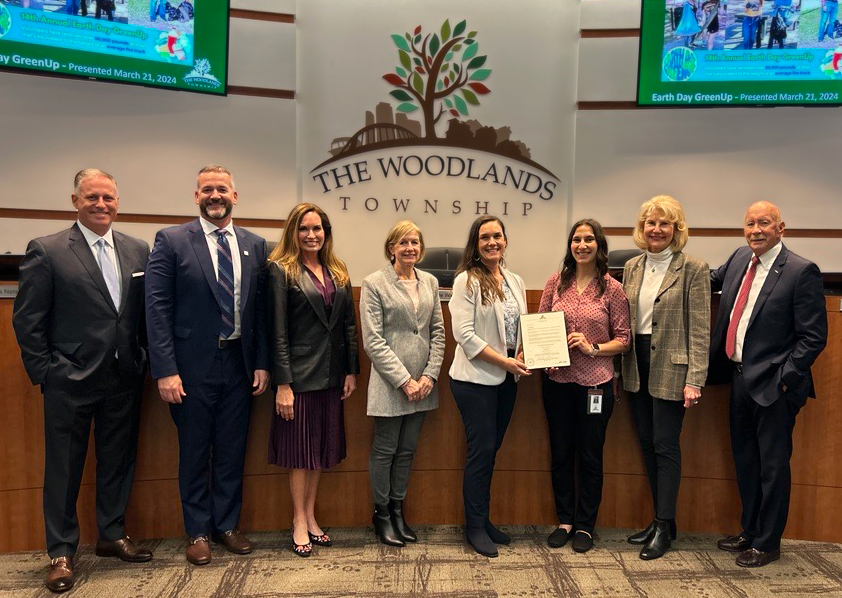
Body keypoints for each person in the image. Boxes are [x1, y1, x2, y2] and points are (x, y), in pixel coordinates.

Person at [13, 169, 152, 593]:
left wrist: (143, 357)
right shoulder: (48, 250)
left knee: (118, 461)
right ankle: (61, 552)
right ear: (75, 201)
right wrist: (46, 372)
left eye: (108, 197)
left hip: (124, 376)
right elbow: (28, 320)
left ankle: (111, 534)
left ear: (117, 202)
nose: (101, 204)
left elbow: (142, 314)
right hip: (69, 379)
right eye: (92, 197)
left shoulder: (138, 249)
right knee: (64, 468)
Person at [145, 165, 270, 566]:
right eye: (207, 189)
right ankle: (197, 531)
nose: (215, 195)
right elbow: (157, 308)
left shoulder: (255, 244)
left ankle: (227, 526)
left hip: (239, 363)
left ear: (235, 196)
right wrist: (165, 369)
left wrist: (262, 363)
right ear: (196, 196)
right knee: (195, 450)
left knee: (233, 449)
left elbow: (261, 311)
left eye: (222, 189)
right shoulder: (172, 240)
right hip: (190, 366)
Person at [709, 201, 827, 568]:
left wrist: (785, 380)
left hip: (774, 387)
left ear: (781, 228)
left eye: (764, 223)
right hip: (738, 380)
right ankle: (750, 531)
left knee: (772, 467)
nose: (756, 230)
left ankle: (768, 542)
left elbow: (813, 337)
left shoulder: (801, 271)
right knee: (746, 461)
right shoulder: (738, 259)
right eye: (750, 223)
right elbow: (704, 280)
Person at [621, 195, 710, 560]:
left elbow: (700, 328)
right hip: (636, 363)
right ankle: (662, 521)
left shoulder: (693, 268)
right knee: (646, 442)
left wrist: (695, 378)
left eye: (664, 223)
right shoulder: (632, 266)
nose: (656, 229)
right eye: (650, 223)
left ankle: (663, 526)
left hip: (673, 366)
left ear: (677, 229)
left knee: (665, 445)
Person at [268, 203, 359, 557]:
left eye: (317, 228)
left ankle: (310, 515)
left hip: (331, 376)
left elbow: (348, 326)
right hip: (299, 378)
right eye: (304, 229)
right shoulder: (281, 270)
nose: (311, 235)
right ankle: (297, 520)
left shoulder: (337, 270)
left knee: (320, 451)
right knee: (300, 454)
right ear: (294, 231)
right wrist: (283, 384)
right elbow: (277, 331)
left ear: (326, 233)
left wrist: (351, 370)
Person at [539, 219, 631, 553]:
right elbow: (539, 328)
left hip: (596, 383)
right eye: (576, 239)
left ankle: (585, 526)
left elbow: (624, 340)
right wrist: (544, 356)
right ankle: (565, 520)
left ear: (599, 245)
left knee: (590, 456)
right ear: (570, 245)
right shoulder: (555, 282)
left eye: (588, 239)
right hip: (558, 381)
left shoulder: (612, 288)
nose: (582, 245)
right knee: (561, 452)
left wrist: (593, 348)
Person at [449, 215, 530, 558]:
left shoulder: (515, 280)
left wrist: (522, 351)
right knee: (481, 451)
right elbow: (464, 335)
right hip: (474, 380)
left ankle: (484, 519)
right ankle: (474, 528)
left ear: (505, 240)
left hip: (507, 379)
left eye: (497, 235)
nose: (492, 242)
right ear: (476, 244)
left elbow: (520, 326)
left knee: (491, 451)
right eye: (485, 237)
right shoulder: (466, 281)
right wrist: (504, 361)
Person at [360, 221, 445, 547]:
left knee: (407, 451)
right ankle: (382, 515)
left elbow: (438, 333)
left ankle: (398, 511)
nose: (410, 248)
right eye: (403, 242)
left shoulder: (430, 282)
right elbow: (373, 341)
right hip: (390, 383)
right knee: (385, 450)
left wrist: (429, 375)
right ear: (391, 248)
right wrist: (404, 380)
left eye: (415, 242)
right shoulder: (374, 283)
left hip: (423, 385)